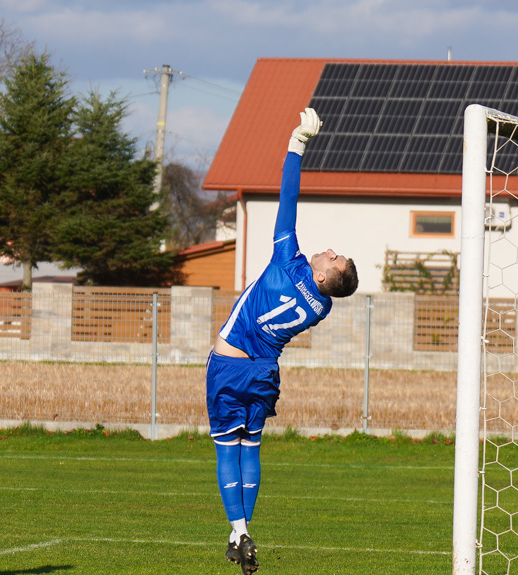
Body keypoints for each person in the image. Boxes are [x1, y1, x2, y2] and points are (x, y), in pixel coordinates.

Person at [206, 108, 359, 574]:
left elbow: (287, 199)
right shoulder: (322, 305)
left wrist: (297, 145)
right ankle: (242, 529)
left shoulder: (286, 262)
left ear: (322, 271)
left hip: (229, 366)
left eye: (335, 256)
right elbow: (317, 286)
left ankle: (238, 530)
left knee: (224, 447)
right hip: (266, 373)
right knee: (250, 447)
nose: (330, 248)